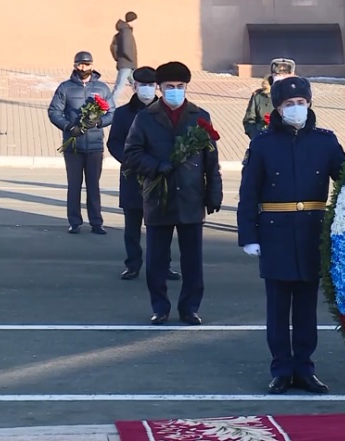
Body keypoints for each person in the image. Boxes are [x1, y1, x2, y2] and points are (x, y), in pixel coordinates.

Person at [237, 76, 345, 395]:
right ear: (278, 109)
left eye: (301, 103)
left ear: (310, 104)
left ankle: (305, 368)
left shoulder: (325, 141)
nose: (297, 109)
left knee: (306, 309)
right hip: (276, 234)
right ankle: (281, 369)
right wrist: (249, 235)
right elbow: (249, 191)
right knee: (278, 308)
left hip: (312, 232)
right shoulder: (263, 143)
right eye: (289, 105)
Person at [124, 61, 223, 326]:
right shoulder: (146, 118)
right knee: (156, 260)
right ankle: (160, 307)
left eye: (180, 87)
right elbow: (131, 153)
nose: (175, 91)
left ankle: (190, 308)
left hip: (191, 198)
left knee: (193, 261)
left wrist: (214, 191)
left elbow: (211, 159)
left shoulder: (199, 115)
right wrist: (156, 166)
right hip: (159, 199)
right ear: (160, 87)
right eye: (170, 87)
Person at [106, 66, 181, 282]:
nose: (146, 89)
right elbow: (115, 143)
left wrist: (164, 164)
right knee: (132, 226)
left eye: (150, 85)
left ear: (156, 86)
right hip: (133, 176)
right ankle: (133, 264)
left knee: (161, 226)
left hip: (160, 176)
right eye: (142, 85)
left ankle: (163, 265)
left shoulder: (167, 111)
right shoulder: (122, 114)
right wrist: (130, 161)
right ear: (134, 86)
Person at [47, 51, 115, 234]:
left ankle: (96, 222)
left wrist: (99, 122)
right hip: (73, 146)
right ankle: (75, 221)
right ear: (75, 65)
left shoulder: (101, 88)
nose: (83, 68)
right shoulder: (65, 88)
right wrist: (69, 127)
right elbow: (54, 111)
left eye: (87, 64)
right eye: (80, 64)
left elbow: (112, 113)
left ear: (92, 65)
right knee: (74, 185)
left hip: (94, 146)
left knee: (93, 185)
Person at [242, 58, 296, 140]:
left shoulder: (301, 96)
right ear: (272, 75)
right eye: (278, 74)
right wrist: (259, 135)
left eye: (285, 74)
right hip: (265, 142)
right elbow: (249, 121)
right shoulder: (259, 96)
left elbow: (310, 121)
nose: (281, 77)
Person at [111, 11, 138, 99]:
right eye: (135, 20)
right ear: (131, 20)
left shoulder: (123, 31)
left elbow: (114, 47)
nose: (136, 23)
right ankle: (109, 106)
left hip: (127, 63)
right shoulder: (126, 31)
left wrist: (118, 58)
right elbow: (126, 47)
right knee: (119, 87)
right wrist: (130, 59)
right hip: (127, 63)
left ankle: (142, 103)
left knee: (136, 86)